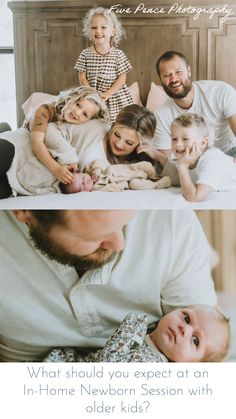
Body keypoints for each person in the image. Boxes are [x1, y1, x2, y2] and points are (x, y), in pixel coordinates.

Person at [0, 209, 217, 361]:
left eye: (124, 224)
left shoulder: (169, 220)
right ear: (24, 211)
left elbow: (204, 357)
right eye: (98, 236)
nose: (119, 244)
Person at [0, 105, 158, 197]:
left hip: (22, 181)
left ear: (139, 143)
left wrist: (158, 156)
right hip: (19, 148)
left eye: (129, 142)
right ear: (114, 124)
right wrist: (67, 156)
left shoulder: (133, 166)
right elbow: (51, 129)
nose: (119, 143)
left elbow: (168, 177)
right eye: (116, 134)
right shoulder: (96, 127)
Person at [44, 306, 230, 362]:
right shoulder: (148, 332)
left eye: (195, 340)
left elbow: (110, 365)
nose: (185, 328)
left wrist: (134, 324)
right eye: (187, 318)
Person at [153, 50, 236, 161]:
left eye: (178, 72)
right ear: (161, 80)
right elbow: (168, 162)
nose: (173, 79)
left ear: (189, 71)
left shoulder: (221, 91)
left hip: (230, 153)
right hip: (192, 162)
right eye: (167, 75)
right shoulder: (160, 115)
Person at [28, 85, 109, 184]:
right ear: (71, 98)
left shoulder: (76, 128)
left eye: (85, 114)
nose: (77, 113)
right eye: (78, 105)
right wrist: (57, 169)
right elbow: (37, 143)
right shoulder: (45, 111)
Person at [74, 7, 133, 122]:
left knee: (118, 121)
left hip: (114, 95)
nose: (98, 31)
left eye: (103, 27)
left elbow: (122, 77)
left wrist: (108, 93)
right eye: (94, 27)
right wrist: (91, 92)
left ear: (113, 31)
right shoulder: (85, 53)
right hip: (93, 95)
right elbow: (82, 76)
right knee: (96, 121)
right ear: (89, 32)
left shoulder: (118, 54)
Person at [167, 113, 236, 202]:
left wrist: (182, 167)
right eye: (174, 139)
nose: (178, 144)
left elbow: (195, 197)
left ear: (203, 143)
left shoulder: (211, 160)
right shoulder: (186, 160)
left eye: (185, 139)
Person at [60, 159, 171, 193]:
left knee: (146, 165)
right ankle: (157, 184)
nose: (85, 180)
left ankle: (156, 176)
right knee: (136, 184)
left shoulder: (89, 170)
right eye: (82, 185)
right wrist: (124, 184)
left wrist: (96, 172)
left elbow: (98, 162)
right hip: (128, 181)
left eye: (81, 177)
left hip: (130, 169)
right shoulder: (97, 190)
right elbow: (113, 188)